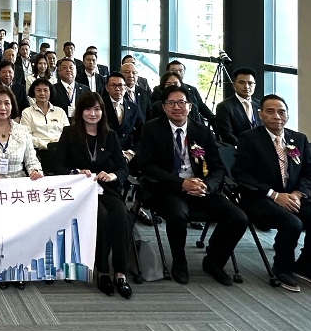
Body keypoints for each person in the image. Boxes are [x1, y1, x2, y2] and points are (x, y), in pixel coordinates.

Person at [130, 88, 241, 285]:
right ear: (164, 107)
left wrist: (207, 186)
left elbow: (217, 168)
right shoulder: (151, 129)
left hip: (200, 188)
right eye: (171, 103)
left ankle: (214, 261)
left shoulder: (202, 131)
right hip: (166, 188)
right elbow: (146, 165)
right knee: (178, 214)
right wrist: (181, 183)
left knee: (238, 218)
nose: (177, 107)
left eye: (181, 102)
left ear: (190, 106)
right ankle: (179, 260)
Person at [230, 94, 311, 292]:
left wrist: (298, 194)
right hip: (261, 197)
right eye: (270, 111)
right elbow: (241, 174)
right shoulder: (249, 138)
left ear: (287, 115)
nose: (276, 116)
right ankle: (282, 268)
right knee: (292, 223)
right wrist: (274, 195)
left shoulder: (298, 139)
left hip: (294, 196)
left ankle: (306, 267)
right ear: (261, 114)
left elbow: (309, 173)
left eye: (281, 112)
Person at [51, 92, 133, 298]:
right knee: (101, 216)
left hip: (106, 188)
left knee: (121, 215)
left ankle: (120, 273)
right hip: (80, 191)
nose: (92, 113)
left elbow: (123, 168)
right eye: (88, 109)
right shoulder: (69, 134)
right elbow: (56, 165)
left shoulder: (110, 135)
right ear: (80, 111)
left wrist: (113, 175)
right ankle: (102, 271)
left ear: (102, 111)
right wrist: (74, 172)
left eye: (97, 109)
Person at [19, 78, 68, 174]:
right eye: (38, 90)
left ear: (50, 92)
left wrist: (59, 144)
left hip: (60, 149)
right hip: (39, 151)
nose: (42, 93)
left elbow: (68, 133)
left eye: (45, 90)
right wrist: (44, 145)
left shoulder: (60, 111)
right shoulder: (27, 112)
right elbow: (26, 136)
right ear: (33, 92)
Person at [214, 67, 260, 146]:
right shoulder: (224, 106)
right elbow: (226, 134)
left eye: (250, 83)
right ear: (234, 85)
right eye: (242, 83)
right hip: (238, 148)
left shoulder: (260, 104)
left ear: (254, 85)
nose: (246, 86)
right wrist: (245, 147)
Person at [165, 60, 216, 127]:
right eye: (174, 70)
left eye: (180, 70)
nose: (178, 73)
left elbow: (202, 107)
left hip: (195, 123)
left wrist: (214, 118)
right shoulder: (159, 90)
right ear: (168, 72)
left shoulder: (192, 89)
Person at [103, 72, 143, 158]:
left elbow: (142, 132)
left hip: (128, 151)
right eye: (113, 85)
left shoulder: (134, 107)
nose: (117, 89)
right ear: (107, 88)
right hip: (106, 151)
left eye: (120, 85)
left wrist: (132, 152)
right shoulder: (100, 105)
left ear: (125, 87)